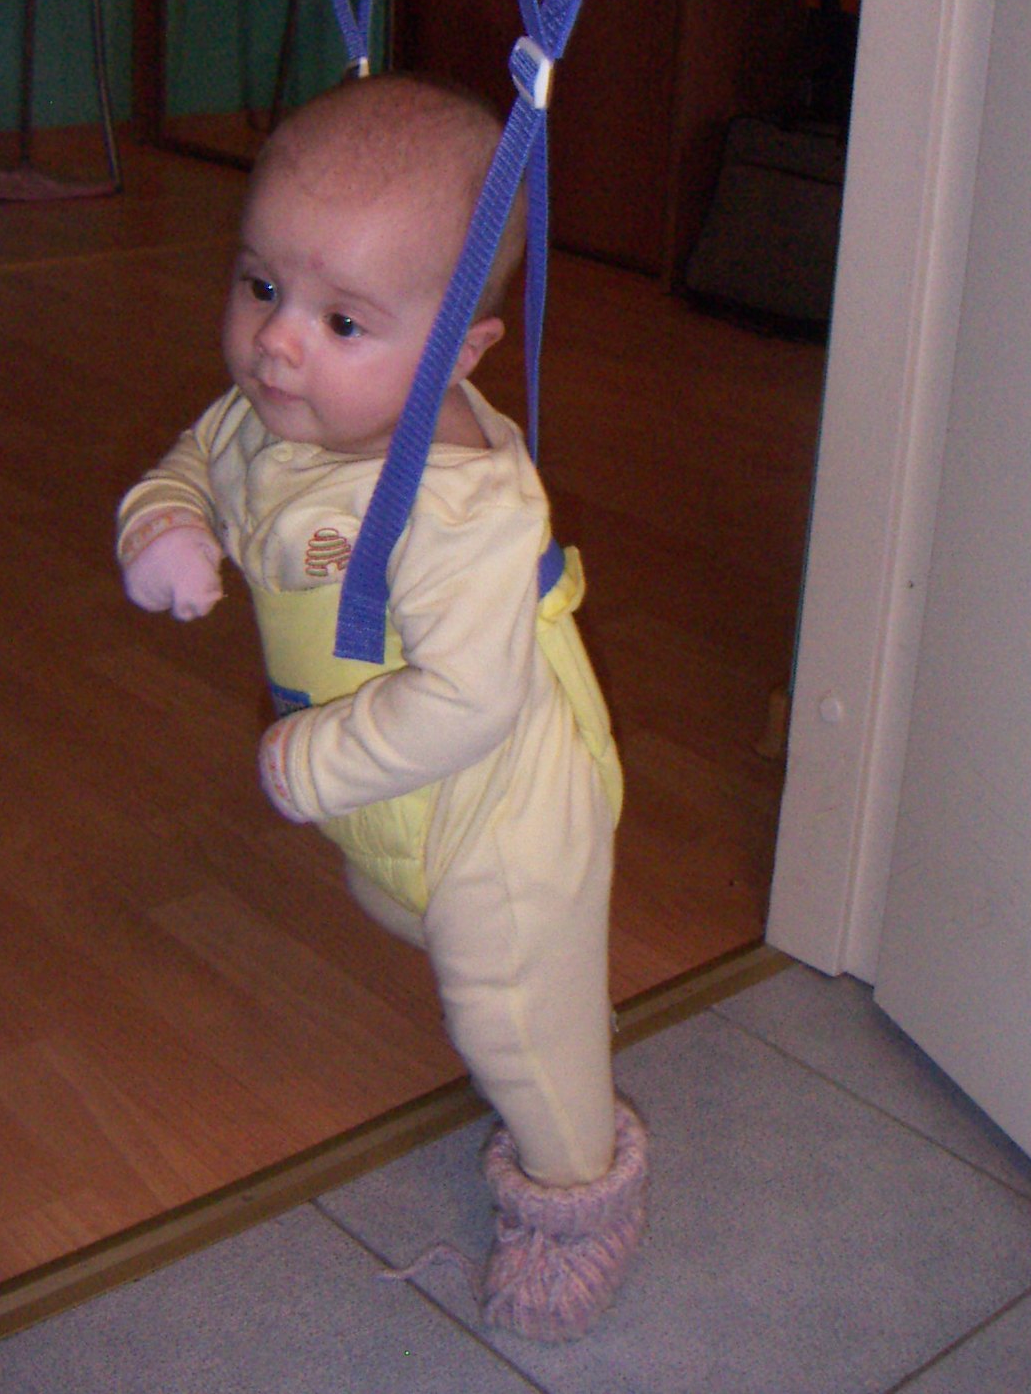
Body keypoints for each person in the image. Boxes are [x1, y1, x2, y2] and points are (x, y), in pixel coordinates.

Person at [116, 74, 647, 1340]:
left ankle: (581, 1195)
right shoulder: (278, 415)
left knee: (505, 1014)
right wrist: (164, 522)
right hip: (400, 797)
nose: (278, 344)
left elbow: (470, 697)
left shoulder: (458, 510)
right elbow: (198, 457)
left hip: (499, 806)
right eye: (260, 286)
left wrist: (305, 764)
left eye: (343, 318)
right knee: (415, 915)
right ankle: (557, 1006)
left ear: (460, 351)